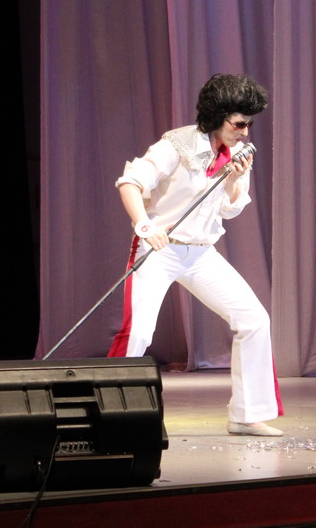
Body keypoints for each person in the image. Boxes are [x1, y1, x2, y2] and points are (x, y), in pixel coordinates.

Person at [107, 73, 283, 436]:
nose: (245, 132)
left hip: (201, 253)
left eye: (249, 124)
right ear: (218, 115)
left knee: (254, 320)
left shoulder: (238, 155)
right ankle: (111, 414)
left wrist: (233, 180)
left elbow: (229, 210)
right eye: (239, 124)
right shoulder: (176, 144)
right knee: (138, 331)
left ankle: (246, 414)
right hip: (160, 248)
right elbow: (130, 183)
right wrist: (145, 226)